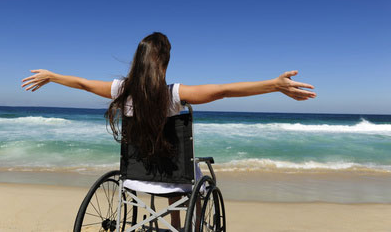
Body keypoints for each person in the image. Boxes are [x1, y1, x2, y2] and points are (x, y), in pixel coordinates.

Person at [21, 32, 316, 229]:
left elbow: (84, 83)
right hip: (175, 180)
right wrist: (273, 85)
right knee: (189, 178)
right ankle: (182, 226)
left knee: (173, 172)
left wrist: (52, 76)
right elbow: (224, 91)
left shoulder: (121, 91)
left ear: (138, 61)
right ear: (162, 65)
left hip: (135, 180)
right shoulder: (174, 95)